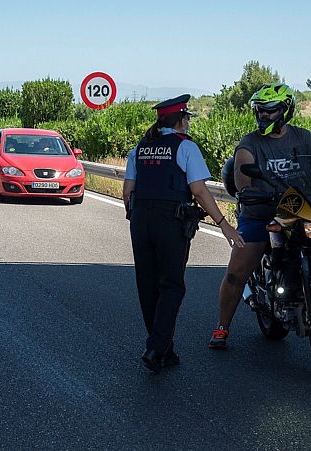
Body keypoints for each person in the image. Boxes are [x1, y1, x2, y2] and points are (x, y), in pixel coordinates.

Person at [208, 82, 311, 350]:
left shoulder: (303, 137)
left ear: (285, 110)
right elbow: (242, 168)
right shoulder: (250, 143)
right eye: (260, 110)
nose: (263, 115)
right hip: (261, 212)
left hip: (300, 211)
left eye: (270, 110)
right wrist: (245, 190)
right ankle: (222, 327)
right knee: (236, 271)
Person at [123, 94, 243, 374]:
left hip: (140, 220)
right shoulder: (185, 147)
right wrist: (223, 223)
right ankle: (155, 348)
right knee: (172, 284)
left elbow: (128, 191)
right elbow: (199, 191)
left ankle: (163, 347)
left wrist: (138, 217)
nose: (188, 122)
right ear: (180, 120)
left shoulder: (139, 148)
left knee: (148, 283)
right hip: (170, 221)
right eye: (187, 118)